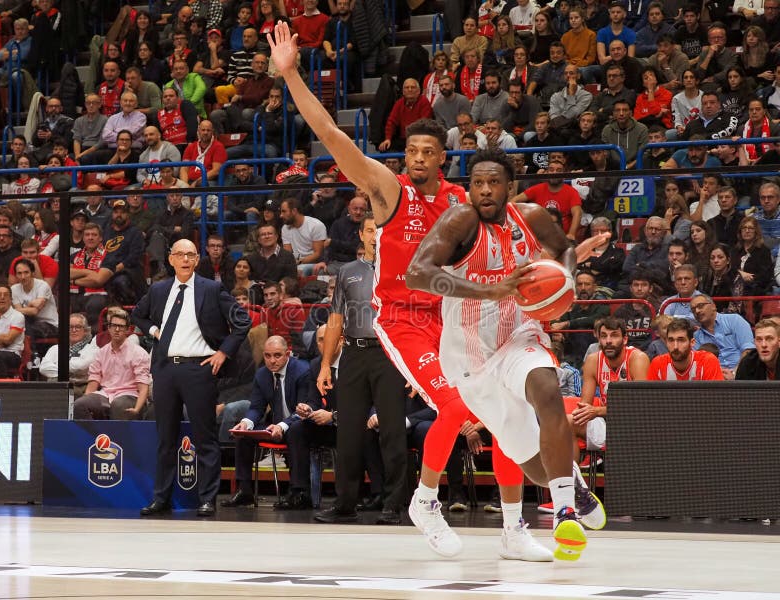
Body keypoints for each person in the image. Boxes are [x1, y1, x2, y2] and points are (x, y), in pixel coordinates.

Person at [270, 22, 556, 559]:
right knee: (454, 404)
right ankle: (424, 500)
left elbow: (506, 246)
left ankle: (516, 529)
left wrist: (550, 267)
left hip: (453, 319)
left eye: (428, 151)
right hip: (402, 318)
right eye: (411, 150)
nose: (418, 158)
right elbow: (332, 135)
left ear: (443, 158)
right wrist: (290, 74)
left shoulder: (460, 201)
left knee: (502, 411)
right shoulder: (386, 189)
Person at [406, 147, 606, 561]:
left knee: (547, 388)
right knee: (531, 461)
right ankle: (568, 480)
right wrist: (489, 290)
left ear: (509, 187)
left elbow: (563, 247)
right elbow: (417, 273)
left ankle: (564, 509)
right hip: (469, 359)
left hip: (519, 334)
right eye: (477, 182)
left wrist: (564, 279)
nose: (484, 190)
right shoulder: (459, 220)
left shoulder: (529, 217)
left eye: (493, 182)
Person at [133, 239, 251, 518]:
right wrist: (153, 331)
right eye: (179, 254)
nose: (185, 259)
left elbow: (242, 321)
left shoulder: (211, 289)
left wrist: (223, 352)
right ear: (171, 259)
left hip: (199, 369)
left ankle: (207, 499)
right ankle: (160, 498)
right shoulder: (159, 289)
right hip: (165, 370)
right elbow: (137, 314)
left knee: (205, 437)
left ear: (197, 260)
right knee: (165, 438)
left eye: (191, 255)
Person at [313, 213, 409, 525]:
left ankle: (395, 505)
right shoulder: (347, 272)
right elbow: (335, 320)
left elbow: (416, 319)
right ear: (362, 234)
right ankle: (345, 505)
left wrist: (414, 367)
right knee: (348, 433)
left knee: (393, 433)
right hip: (353, 353)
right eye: (370, 230)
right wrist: (326, 364)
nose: (375, 236)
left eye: (380, 231)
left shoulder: (403, 268)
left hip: (390, 355)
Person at [223, 336, 311, 508]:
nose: (272, 361)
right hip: (275, 426)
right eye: (267, 356)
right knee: (244, 434)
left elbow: (303, 410)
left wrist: (282, 426)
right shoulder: (262, 374)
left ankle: (298, 492)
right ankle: (245, 491)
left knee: (296, 429)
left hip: (301, 425)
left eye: (277, 355)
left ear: (288, 354)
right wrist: (246, 423)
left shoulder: (303, 371)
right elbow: (256, 407)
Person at [568, 316, 649, 463]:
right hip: (606, 423)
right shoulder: (593, 360)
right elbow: (585, 404)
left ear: (625, 339)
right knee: (567, 422)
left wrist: (597, 411)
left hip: (635, 427)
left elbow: (639, 406)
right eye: (604, 336)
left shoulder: (637, 359)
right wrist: (583, 412)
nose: (608, 341)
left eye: (614, 335)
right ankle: (572, 482)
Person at [73, 307, 152, 420]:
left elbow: (143, 386)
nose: (117, 329)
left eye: (121, 326)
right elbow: (93, 382)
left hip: (130, 395)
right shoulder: (102, 352)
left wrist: (137, 409)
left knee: (118, 404)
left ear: (127, 330)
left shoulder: (138, 353)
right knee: (80, 405)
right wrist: (87, 399)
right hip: (105, 394)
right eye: (114, 326)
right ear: (109, 328)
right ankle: (95, 436)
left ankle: (117, 438)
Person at [690, 293, 756, 378]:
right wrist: (720, 374)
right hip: (715, 378)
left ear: (713, 306)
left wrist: (735, 373)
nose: (697, 311)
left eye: (701, 306)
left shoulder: (735, 320)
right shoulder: (696, 337)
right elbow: (700, 363)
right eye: (693, 309)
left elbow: (748, 351)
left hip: (743, 372)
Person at [647, 318, 724, 380]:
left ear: (692, 342)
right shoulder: (657, 364)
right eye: (671, 340)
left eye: (681, 340)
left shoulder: (707, 361)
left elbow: (714, 398)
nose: (675, 346)